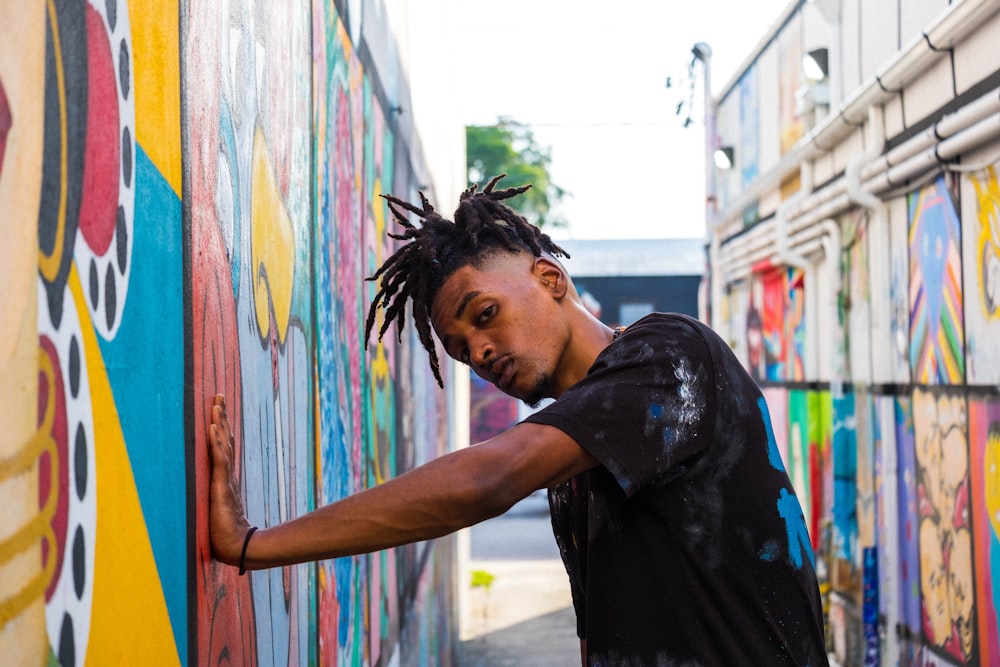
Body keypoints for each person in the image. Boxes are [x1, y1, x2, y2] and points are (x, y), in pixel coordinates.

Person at [208, 174, 829, 666]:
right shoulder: (576, 469)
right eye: (459, 349)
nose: (478, 353)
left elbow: (491, 478)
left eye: (484, 315)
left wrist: (252, 545)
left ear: (550, 279)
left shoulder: (669, 355)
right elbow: (601, 633)